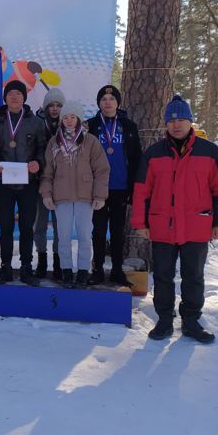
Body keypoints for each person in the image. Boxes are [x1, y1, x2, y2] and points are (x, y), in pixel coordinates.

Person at [132, 95, 218, 344]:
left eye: (182, 119)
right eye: (172, 120)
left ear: (191, 122)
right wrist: (140, 223)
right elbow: (142, 191)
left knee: (193, 276)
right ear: (166, 124)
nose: (176, 125)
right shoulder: (154, 154)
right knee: (164, 276)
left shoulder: (210, 152)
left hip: (196, 226)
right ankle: (164, 320)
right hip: (162, 226)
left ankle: (190, 321)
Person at [39, 101, 110, 287]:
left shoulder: (90, 141)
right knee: (62, 237)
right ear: (61, 120)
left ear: (79, 119)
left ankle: (84, 271)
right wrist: (46, 194)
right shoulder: (54, 142)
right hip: (61, 197)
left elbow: (102, 170)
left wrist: (100, 195)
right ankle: (67, 271)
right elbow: (47, 172)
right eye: (65, 118)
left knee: (85, 236)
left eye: (73, 117)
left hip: (85, 198)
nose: (69, 121)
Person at [0, 80, 48, 284]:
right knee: (5, 227)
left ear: (24, 97)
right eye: (10, 94)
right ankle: (5, 268)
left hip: (28, 184)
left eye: (18, 93)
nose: (14, 97)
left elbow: (43, 149)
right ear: (5, 98)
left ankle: (26, 269)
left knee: (26, 227)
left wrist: (38, 163)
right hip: (4, 183)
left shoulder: (36, 122)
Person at [86, 84, 142, 285]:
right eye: (103, 99)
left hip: (120, 188)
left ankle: (117, 270)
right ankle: (98, 269)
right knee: (98, 231)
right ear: (99, 103)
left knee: (118, 232)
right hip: (97, 189)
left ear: (118, 103)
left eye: (111, 99)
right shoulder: (90, 125)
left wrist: (133, 189)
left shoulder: (129, 126)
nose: (107, 102)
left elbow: (136, 158)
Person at [33, 87, 66, 279]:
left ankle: (59, 262)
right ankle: (42, 259)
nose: (55, 109)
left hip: (62, 184)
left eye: (59, 105)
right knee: (40, 224)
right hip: (41, 183)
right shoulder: (37, 124)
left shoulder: (70, 124)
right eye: (51, 105)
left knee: (61, 225)